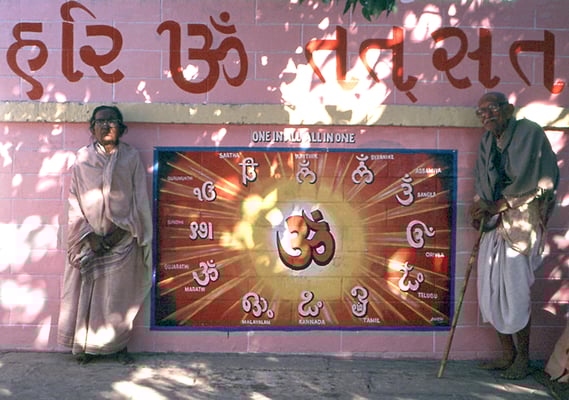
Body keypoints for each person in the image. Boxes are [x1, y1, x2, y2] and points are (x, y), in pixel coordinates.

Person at [470, 92, 559, 380]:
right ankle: (506, 355)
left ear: (508, 110)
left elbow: (536, 182)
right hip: (494, 223)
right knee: (491, 291)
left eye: (491, 109)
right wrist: (480, 207)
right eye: (481, 112)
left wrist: (501, 204)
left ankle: (523, 358)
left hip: (520, 223)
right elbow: (485, 185)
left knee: (516, 293)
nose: (486, 116)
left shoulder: (528, 132)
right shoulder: (487, 141)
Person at [57, 105, 152, 364]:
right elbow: (74, 200)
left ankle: (117, 347)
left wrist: (120, 232)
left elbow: (138, 200)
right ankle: (85, 347)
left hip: (123, 238)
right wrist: (90, 236)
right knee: (85, 296)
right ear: (92, 127)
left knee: (118, 297)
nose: (107, 125)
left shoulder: (131, 157)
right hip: (90, 240)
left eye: (113, 121)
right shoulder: (82, 159)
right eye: (101, 121)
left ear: (121, 127)